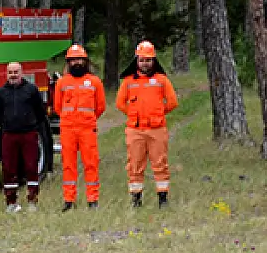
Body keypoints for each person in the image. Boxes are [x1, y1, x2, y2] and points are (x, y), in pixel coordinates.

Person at [116, 40, 179, 208]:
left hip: (157, 129)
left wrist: (158, 113)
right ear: (137, 60)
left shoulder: (161, 80)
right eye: (142, 60)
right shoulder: (128, 81)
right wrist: (133, 114)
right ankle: (136, 201)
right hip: (135, 130)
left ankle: (163, 200)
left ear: (154, 61)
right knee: (135, 165)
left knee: (160, 164)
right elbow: (120, 103)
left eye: (149, 60)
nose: (145, 63)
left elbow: (172, 102)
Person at [53, 45, 105, 211]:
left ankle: (93, 199)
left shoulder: (95, 82)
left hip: (87, 129)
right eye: (73, 60)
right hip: (68, 129)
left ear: (85, 61)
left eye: (79, 59)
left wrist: (87, 119)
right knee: (68, 165)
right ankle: (69, 200)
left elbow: (100, 107)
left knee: (91, 164)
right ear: (68, 62)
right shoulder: (61, 82)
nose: (76, 62)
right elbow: (57, 107)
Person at [0, 61, 46, 212]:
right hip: (9, 135)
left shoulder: (31, 90)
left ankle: (32, 201)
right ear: (6, 74)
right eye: (10, 72)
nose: (13, 75)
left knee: (31, 167)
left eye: (16, 72)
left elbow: (40, 111)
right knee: (9, 169)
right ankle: (11, 203)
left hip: (28, 133)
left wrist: (32, 124)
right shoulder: (1, 93)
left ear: (22, 73)